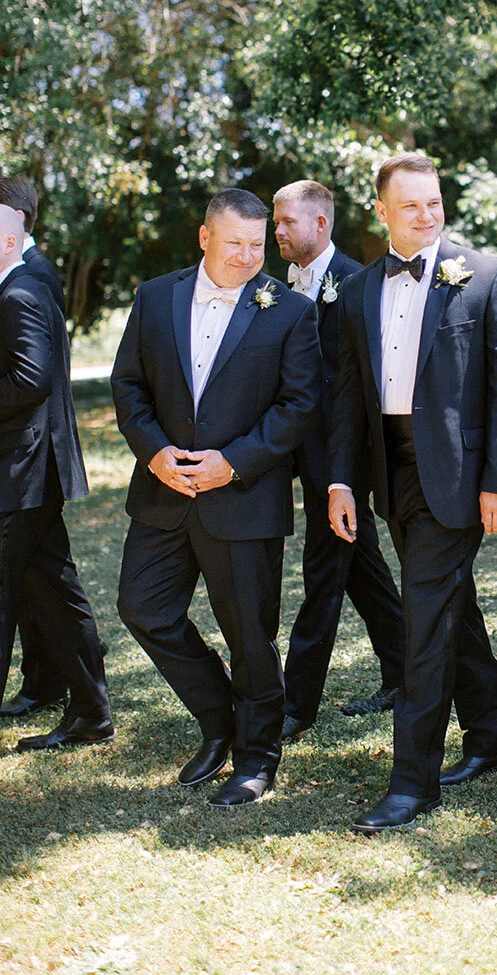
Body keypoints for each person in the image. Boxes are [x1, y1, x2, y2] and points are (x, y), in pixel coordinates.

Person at [328, 152, 497, 833]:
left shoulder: (487, 277)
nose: (426, 215)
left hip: (459, 475)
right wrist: (340, 481)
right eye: (410, 205)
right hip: (392, 475)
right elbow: (346, 398)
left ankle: (412, 784)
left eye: (434, 202)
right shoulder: (358, 290)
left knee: (422, 625)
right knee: (449, 607)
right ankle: (492, 737)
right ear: (381, 212)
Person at [111, 189, 321, 807]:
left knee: (250, 636)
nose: (247, 256)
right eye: (233, 243)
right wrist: (154, 452)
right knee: (142, 608)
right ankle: (218, 717)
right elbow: (128, 386)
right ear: (204, 238)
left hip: (244, 498)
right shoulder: (155, 297)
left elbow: (299, 405)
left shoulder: (290, 311)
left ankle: (257, 759)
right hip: (164, 492)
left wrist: (232, 464)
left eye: (257, 245)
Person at [272, 179, 403, 739]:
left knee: (323, 573)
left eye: (287, 222)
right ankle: (405, 671)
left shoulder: (354, 282)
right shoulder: (279, 284)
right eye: (276, 221)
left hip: (340, 460)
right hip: (299, 450)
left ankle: (295, 706)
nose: (277, 231)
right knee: (361, 568)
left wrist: (344, 470)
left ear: (321, 223)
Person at [0, 204, 112, 751]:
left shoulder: (18, 293)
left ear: (7, 241)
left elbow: (31, 379)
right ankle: (91, 712)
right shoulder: (20, 287)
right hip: (29, 471)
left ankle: (90, 710)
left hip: (19, 471)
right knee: (55, 592)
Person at [0, 177, 71, 718]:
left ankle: (48, 681)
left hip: (28, 453)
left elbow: (35, 377)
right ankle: (60, 688)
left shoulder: (33, 277)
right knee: (45, 581)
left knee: (35, 582)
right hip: (23, 454)